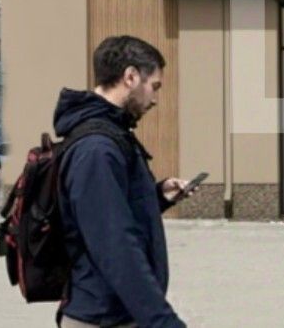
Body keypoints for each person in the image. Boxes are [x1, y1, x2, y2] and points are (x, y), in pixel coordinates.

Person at [55, 35, 191, 328]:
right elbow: (115, 244)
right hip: (102, 318)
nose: (154, 99)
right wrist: (163, 322)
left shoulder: (113, 134)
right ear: (130, 77)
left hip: (119, 313)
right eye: (154, 86)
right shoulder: (96, 148)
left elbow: (111, 213)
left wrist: (157, 196)